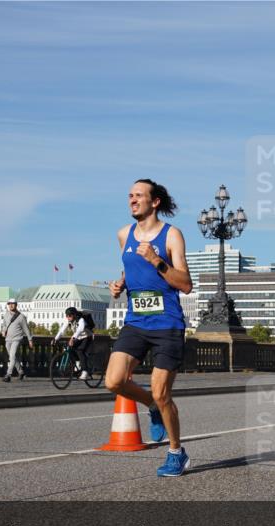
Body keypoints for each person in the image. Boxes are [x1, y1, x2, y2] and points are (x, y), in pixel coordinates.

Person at [105, 179, 193, 477]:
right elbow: (130, 269)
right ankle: (153, 407)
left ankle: (176, 452)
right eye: (130, 195)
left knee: (161, 391)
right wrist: (121, 283)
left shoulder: (172, 236)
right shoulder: (123, 234)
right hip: (135, 322)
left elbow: (186, 284)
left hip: (167, 324)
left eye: (139, 196)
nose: (132, 200)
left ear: (154, 202)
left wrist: (157, 260)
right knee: (114, 381)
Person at [54, 306, 95, 379]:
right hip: (78, 337)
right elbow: (62, 330)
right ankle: (78, 363)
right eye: (67, 316)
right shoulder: (68, 321)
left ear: (74, 315)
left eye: (69, 315)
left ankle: (85, 371)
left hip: (87, 336)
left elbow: (80, 329)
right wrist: (55, 339)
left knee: (80, 351)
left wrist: (72, 338)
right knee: (70, 348)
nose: (68, 317)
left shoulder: (81, 319)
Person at [1, 298, 34, 382]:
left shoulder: (21, 317)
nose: (11, 305)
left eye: (13, 304)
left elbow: (26, 329)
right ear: (8, 305)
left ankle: (8, 375)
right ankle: (21, 372)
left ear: (16, 305)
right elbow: (4, 325)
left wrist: (30, 340)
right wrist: (3, 331)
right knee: (13, 358)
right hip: (8, 339)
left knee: (12, 356)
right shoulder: (6, 315)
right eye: (9, 304)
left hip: (17, 339)